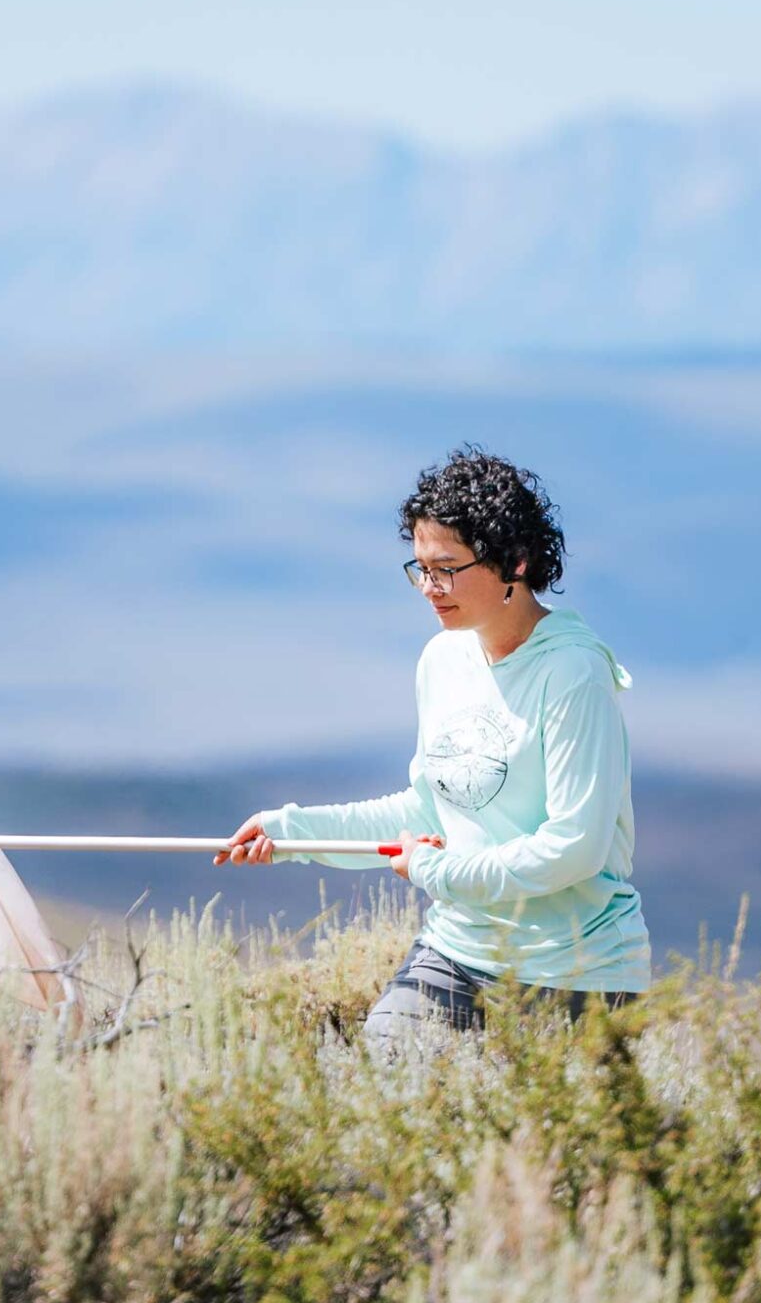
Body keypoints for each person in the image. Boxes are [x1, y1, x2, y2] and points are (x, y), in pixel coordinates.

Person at [215, 443, 649, 1050]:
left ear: (515, 563)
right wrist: (288, 832)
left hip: (575, 971)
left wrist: (437, 871)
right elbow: (426, 813)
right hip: (457, 950)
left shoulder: (575, 672)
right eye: (419, 567)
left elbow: (575, 848)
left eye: (447, 568)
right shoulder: (441, 659)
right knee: (384, 1080)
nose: (428, 587)